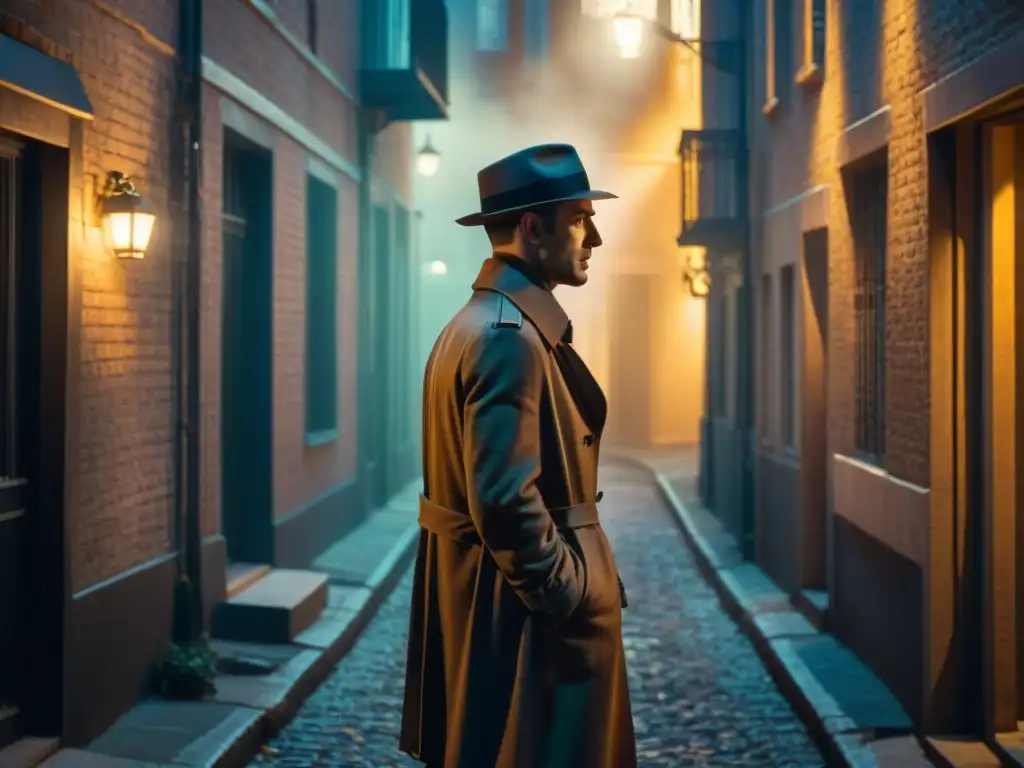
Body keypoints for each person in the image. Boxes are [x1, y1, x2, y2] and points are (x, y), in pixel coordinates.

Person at [399, 144, 637, 768]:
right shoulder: (508, 339)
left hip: (504, 613)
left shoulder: (480, 323)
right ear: (533, 227)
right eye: (582, 218)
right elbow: (504, 502)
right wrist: (570, 596)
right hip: (527, 627)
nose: (596, 238)